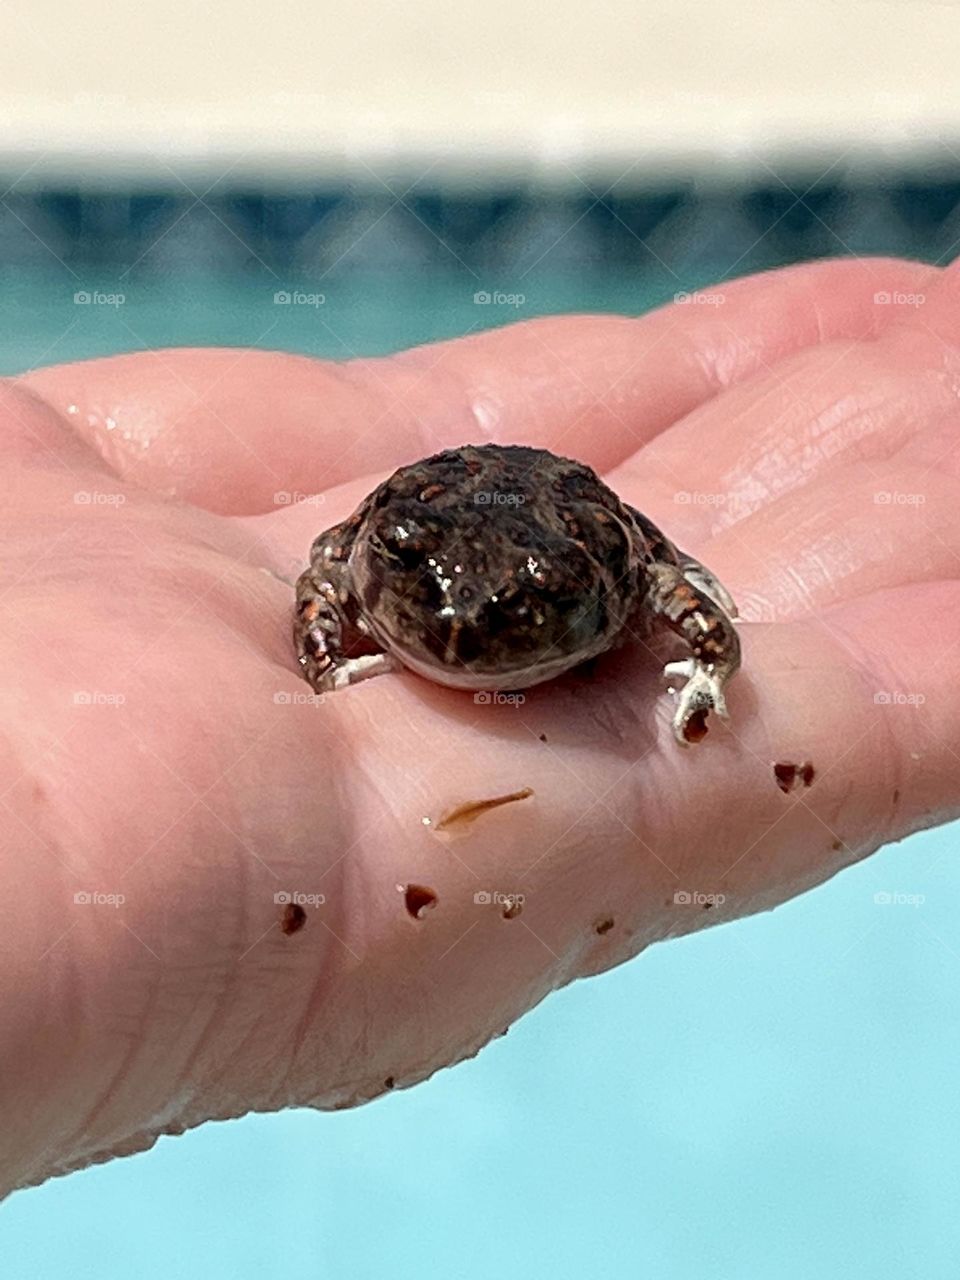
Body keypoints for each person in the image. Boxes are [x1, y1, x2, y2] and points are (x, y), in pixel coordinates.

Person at [1, 255, 954, 1197]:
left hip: (573, 519)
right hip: (433, 510)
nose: (461, 626)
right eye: (420, 590)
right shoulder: (379, 550)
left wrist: (708, 668)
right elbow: (328, 570)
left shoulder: (619, 575)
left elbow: (686, 599)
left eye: (522, 607)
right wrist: (329, 659)